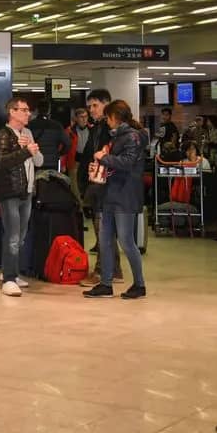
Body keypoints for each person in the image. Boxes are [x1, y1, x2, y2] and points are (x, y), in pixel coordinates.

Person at [83, 100, 148, 299]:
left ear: (115, 117)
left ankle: (139, 284)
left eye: (108, 117)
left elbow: (127, 163)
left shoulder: (133, 137)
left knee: (126, 241)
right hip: (109, 194)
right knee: (105, 240)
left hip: (125, 196)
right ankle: (106, 283)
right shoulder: (116, 137)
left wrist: (104, 158)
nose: (107, 121)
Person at [0, 97, 43, 297]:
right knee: (12, 236)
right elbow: (1, 162)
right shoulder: (2, 135)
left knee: (20, 236)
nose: (28, 113)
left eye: (28, 110)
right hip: (10, 192)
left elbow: (38, 160)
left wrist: (30, 149)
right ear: (12, 112)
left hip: (26, 190)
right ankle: (9, 278)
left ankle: (10, 271)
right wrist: (24, 152)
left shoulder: (26, 134)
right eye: (24, 109)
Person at [79, 89, 123, 286]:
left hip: (109, 184)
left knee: (103, 228)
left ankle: (103, 271)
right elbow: (90, 152)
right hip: (96, 181)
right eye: (89, 106)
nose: (91, 110)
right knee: (104, 229)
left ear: (107, 104)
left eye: (95, 105)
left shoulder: (114, 129)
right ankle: (114, 270)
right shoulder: (96, 128)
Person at [28, 101, 67, 172]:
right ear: (49, 110)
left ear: (37, 110)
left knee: (36, 182)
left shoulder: (30, 125)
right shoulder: (57, 125)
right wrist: (59, 153)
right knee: (52, 182)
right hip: (53, 163)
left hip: (36, 163)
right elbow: (68, 143)